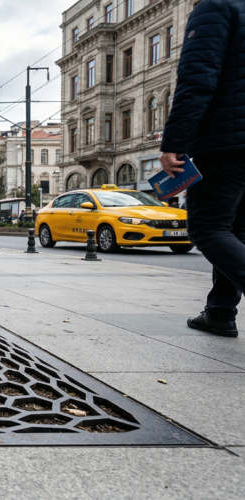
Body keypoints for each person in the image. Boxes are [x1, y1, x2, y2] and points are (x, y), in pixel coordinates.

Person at [159, 0, 245, 338]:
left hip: (225, 142)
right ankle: (220, 313)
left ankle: (220, 312)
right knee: (235, 231)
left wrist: (173, 143)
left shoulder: (216, 6)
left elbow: (196, 80)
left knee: (208, 228)